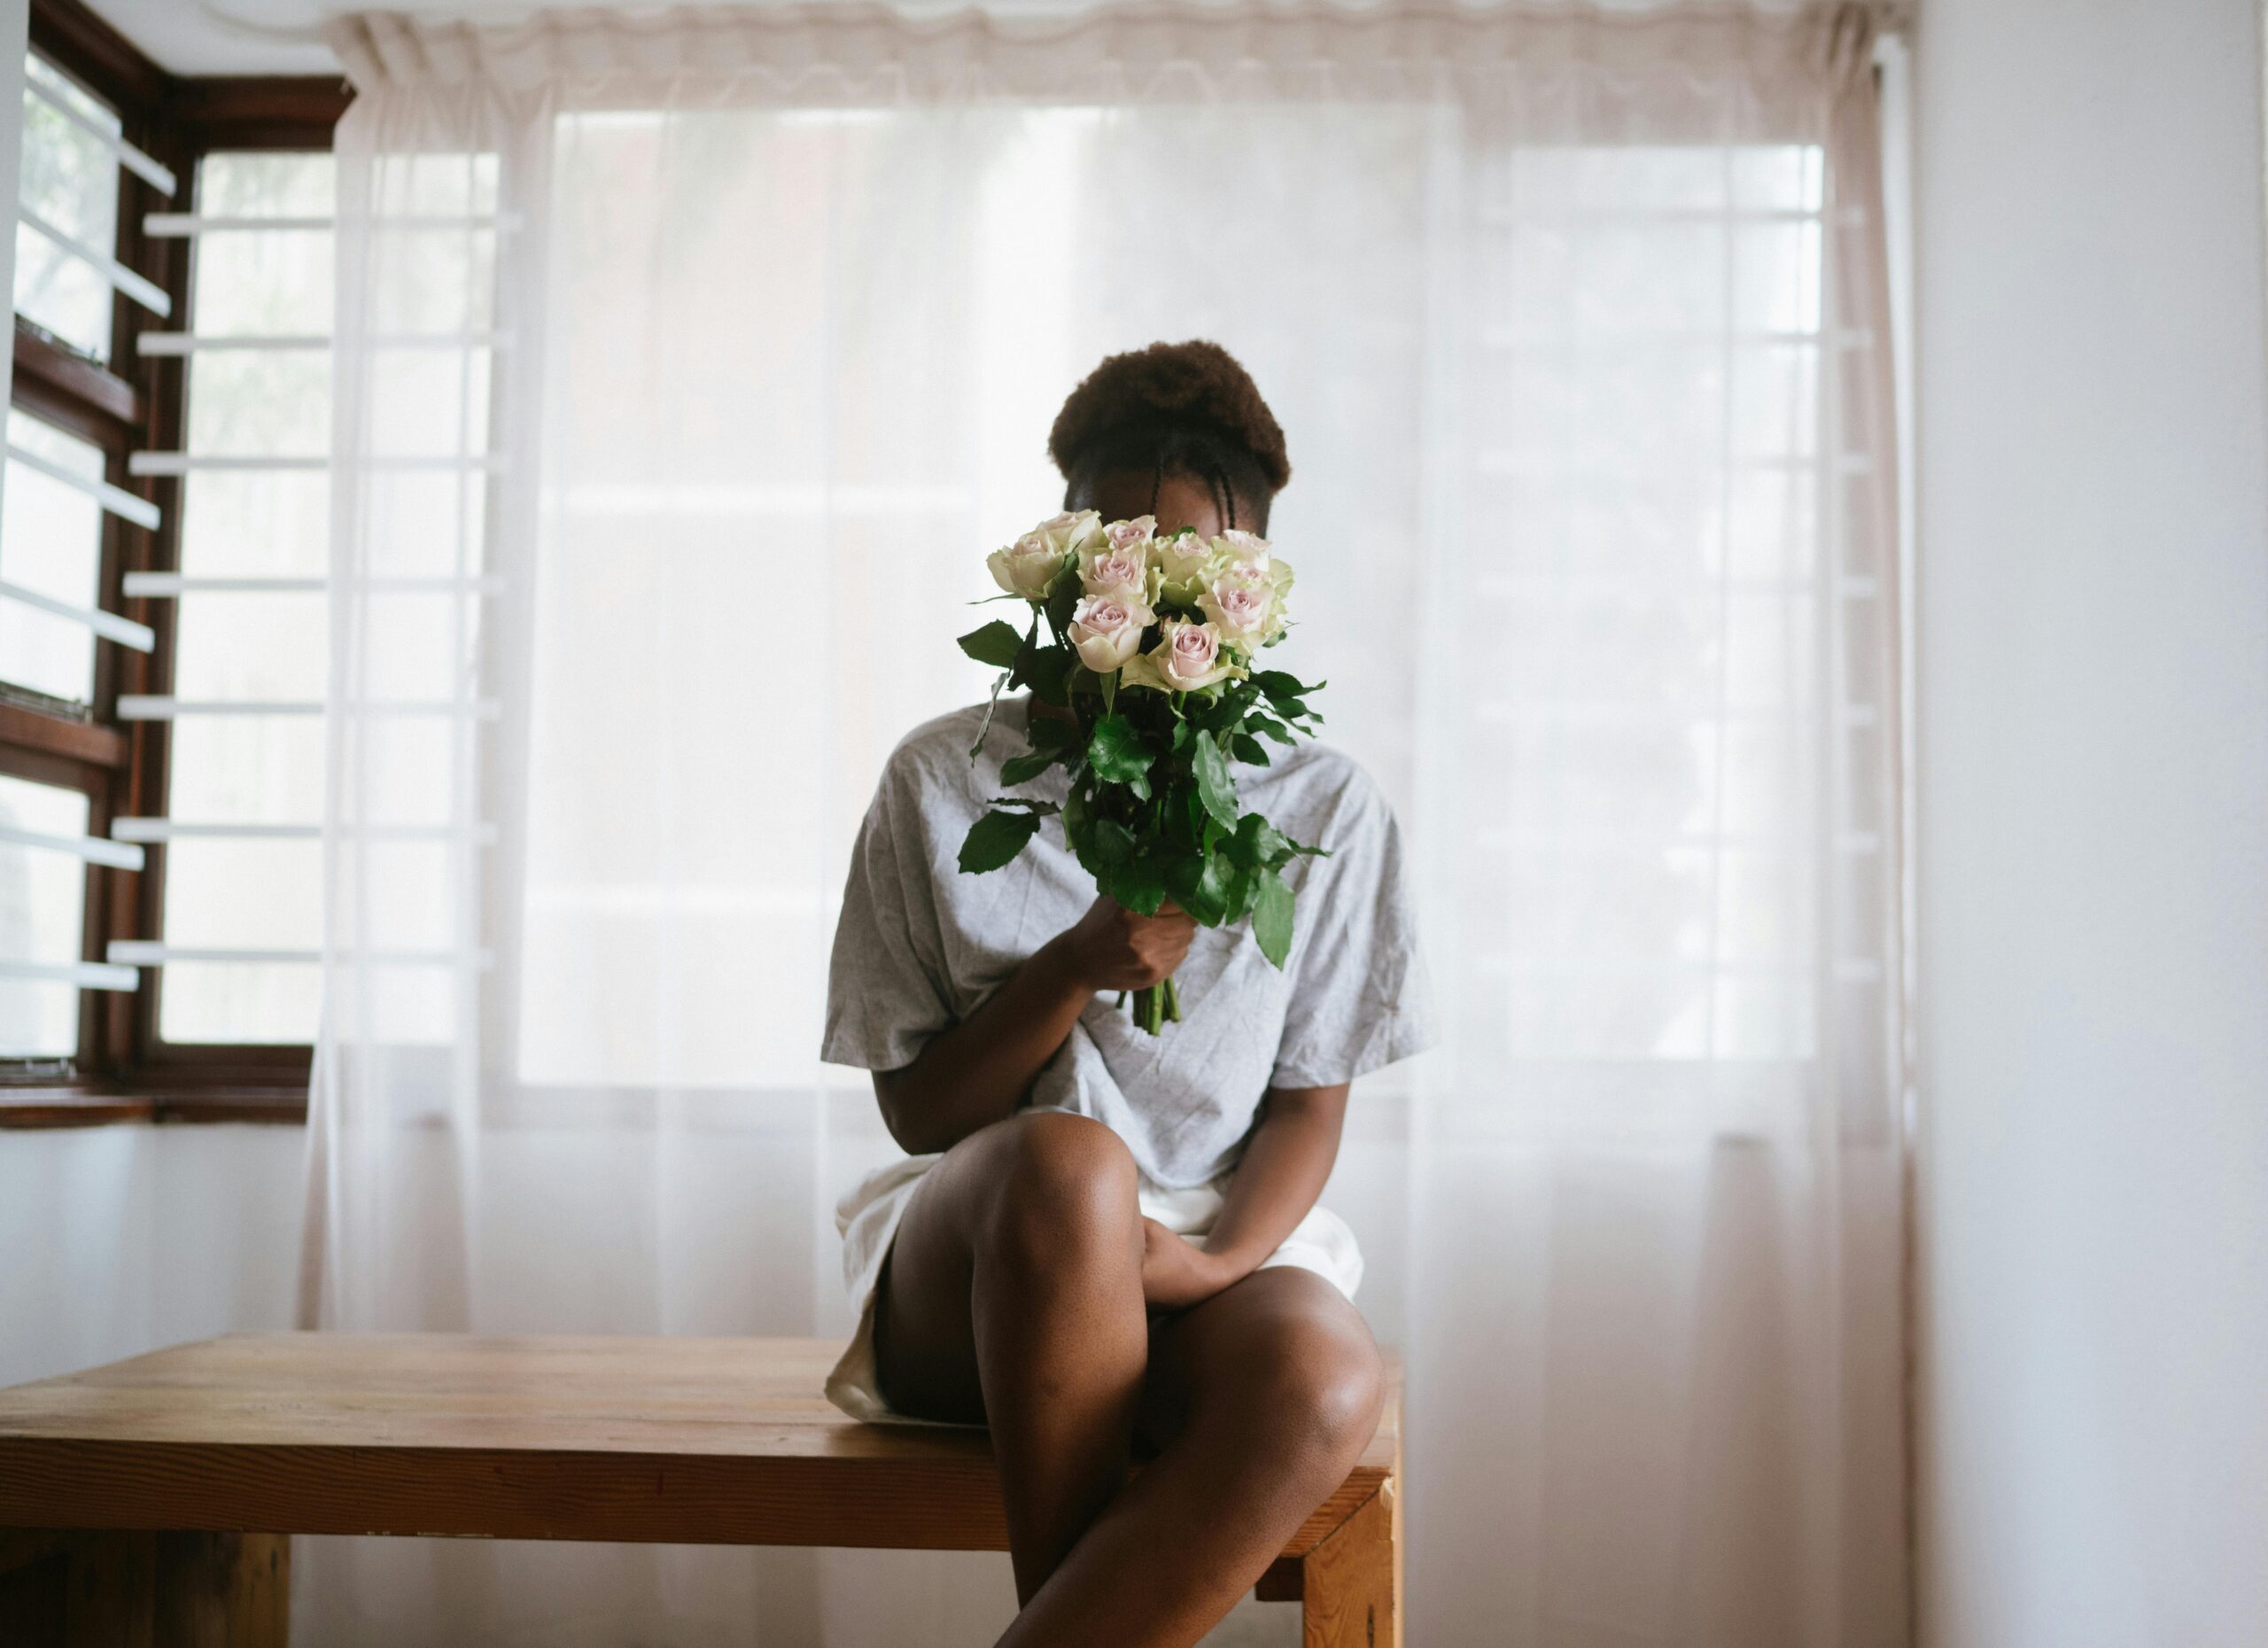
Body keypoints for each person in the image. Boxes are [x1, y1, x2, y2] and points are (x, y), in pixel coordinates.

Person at [820, 339, 1432, 1647]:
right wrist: (1075, 969)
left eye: (1185, 562)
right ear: (1069, 558)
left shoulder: (1323, 807)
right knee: (1072, 1167)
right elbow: (920, 1116)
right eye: (1114, 550)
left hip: (1200, 1250)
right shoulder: (941, 781)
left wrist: (1211, 1261)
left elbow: (1306, 1109)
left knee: (1329, 1376)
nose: (1148, 591)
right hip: (990, 1255)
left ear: (1249, 582)